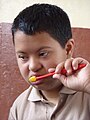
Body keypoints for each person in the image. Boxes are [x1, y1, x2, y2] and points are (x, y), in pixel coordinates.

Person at [8, 3, 90, 120]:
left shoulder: (86, 93)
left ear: (68, 49)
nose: (33, 67)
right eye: (22, 57)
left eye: (42, 54)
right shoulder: (19, 108)